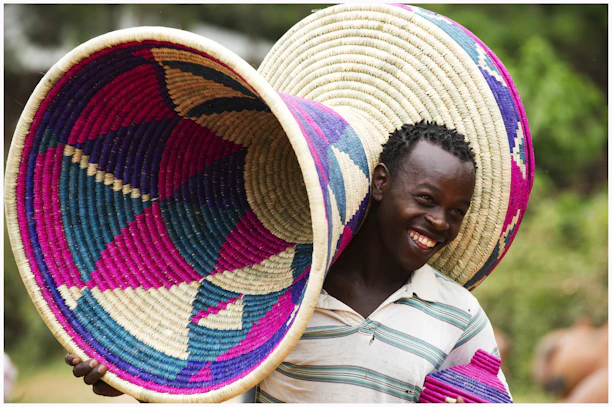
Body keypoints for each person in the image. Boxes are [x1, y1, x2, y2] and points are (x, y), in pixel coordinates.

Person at [65, 121, 509, 402]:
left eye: (456, 212)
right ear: (380, 183)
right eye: (427, 199)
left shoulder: (461, 316)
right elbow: (188, 376)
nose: (438, 222)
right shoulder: (279, 288)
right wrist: (119, 376)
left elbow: (487, 397)